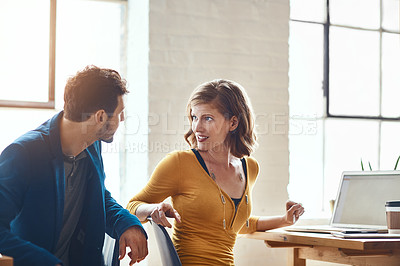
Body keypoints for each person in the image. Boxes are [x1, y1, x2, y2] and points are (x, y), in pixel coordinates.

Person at [126, 79, 305, 265]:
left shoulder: (249, 168)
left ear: (233, 123)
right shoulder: (179, 163)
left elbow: (234, 224)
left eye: (207, 118)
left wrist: (285, 220)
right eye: (194, 117)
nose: (197, 127)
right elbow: (131, 207)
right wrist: (152, 209)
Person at [0, 65, 148, 266]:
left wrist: (127, 223)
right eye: (120, 113)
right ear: (100, 117)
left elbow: (98, 196)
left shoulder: (92, 144)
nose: (122, 119)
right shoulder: (23, 154)